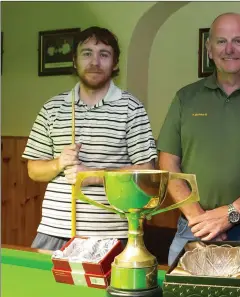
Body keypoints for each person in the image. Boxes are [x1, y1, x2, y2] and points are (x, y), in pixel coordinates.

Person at [158, 12, 240, 266]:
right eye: (221, 42)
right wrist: (200, 219)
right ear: (209, 49)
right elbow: (168, 163)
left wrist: (229, 214)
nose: (229, 49)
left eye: (238, 41)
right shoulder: (186, 98)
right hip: (192, 228)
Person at [23, 26, 158, 250]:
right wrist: (59, 163)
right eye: (86, 53)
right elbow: (34, 169)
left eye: (103, 55)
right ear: (75, 61)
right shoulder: (52, 108)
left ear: (114, 63)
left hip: (111, 234)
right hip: (54, 230)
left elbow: (146, 171)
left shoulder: (131, 108)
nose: (94, 62)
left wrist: (93, 176)